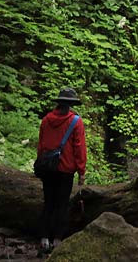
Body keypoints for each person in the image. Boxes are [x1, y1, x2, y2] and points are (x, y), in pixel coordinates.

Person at [37, 87, 87, 257]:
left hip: (48, 168)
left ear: (58, 103)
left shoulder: (46, 120)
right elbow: (79, 148)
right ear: (71, 104)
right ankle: (57, 240)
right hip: (66, 169)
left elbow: (41, 145)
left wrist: (41, 164)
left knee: (48, 202)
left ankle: (44, 239)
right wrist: (81, 170)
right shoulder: (75, 122)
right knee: (62, 204)